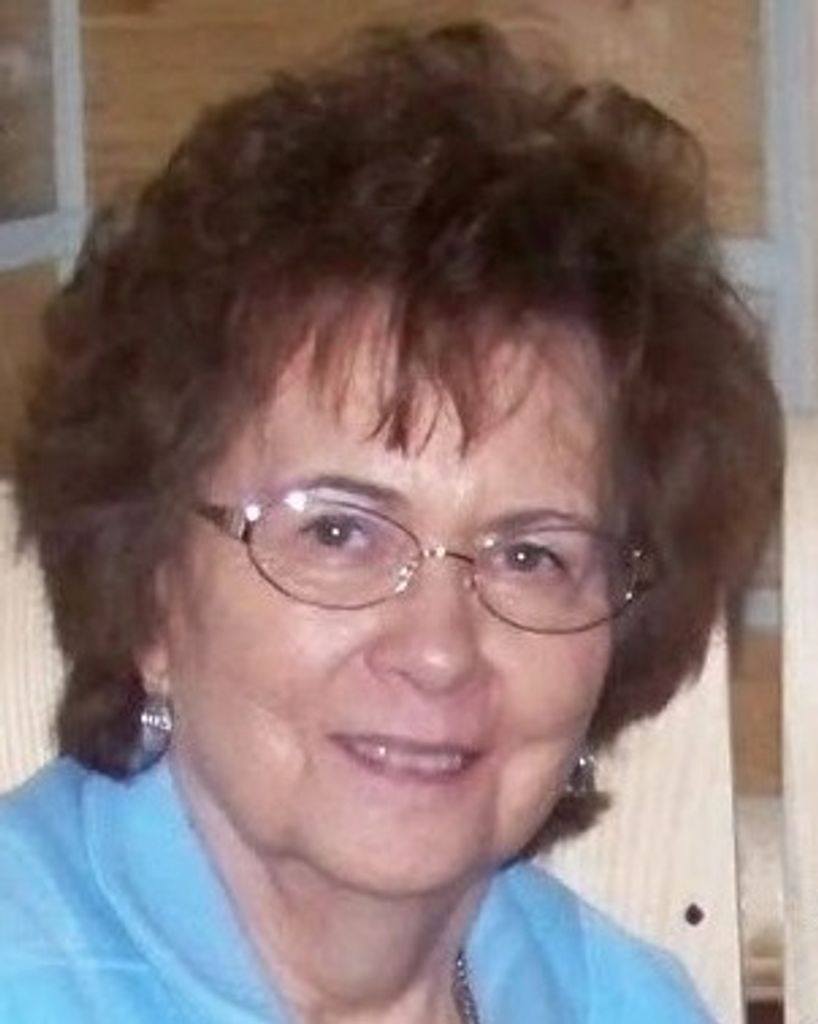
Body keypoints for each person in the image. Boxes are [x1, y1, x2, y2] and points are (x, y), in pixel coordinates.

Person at [0, 21, 781, 1024]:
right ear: (151, 591)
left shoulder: (624, 1004)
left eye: (530, 555)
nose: (439, 651)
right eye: (338, 533)